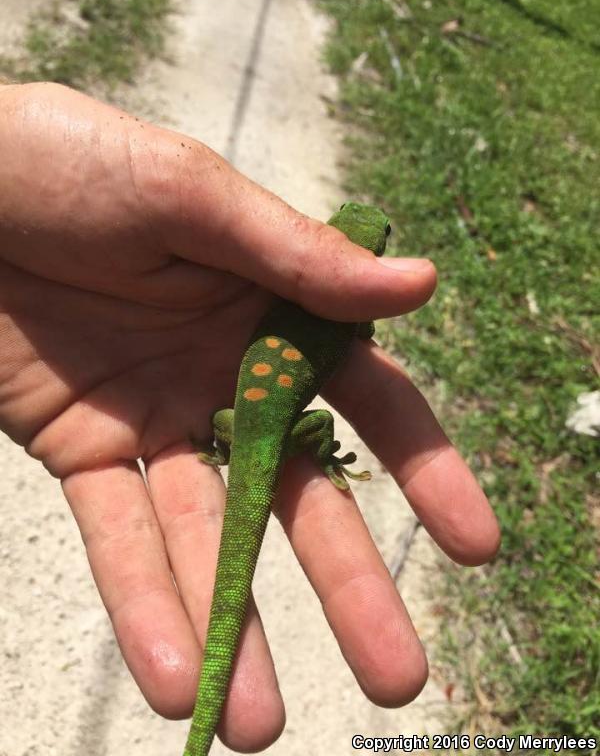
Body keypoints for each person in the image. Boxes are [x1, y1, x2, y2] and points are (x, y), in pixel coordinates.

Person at [0, 81, 500, 752]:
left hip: (244, 430)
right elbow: (351, 334)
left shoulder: (315, 293)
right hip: (235, 429)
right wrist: (315, 445)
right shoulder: (352, 314)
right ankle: (295, 455)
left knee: (231, 578)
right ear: (366, 258)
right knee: (287, 476)